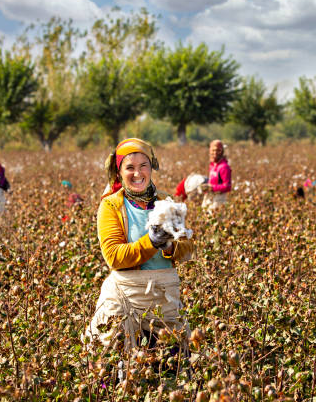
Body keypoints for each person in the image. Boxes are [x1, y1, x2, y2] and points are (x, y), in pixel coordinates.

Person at [86, 138, 195, 351]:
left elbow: (187, 249)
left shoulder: (166, 201)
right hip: (126, 299)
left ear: (151, 168)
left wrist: (170, 248)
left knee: (173, 367)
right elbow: (114, 256)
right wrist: (151, 242)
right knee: (117, 367)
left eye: (143, 166)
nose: (137, 173)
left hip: (165, 300)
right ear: (119, 173)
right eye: (130, 168)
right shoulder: (111, 205)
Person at [201, 140, 231, 212]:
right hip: (209, 198)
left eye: (218, 150)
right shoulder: (212, 165)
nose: (215, 153)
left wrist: (212, 188)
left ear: (222, 151)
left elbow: (227, 186)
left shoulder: (224, 167)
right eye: (213, 150)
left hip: (219, 199)